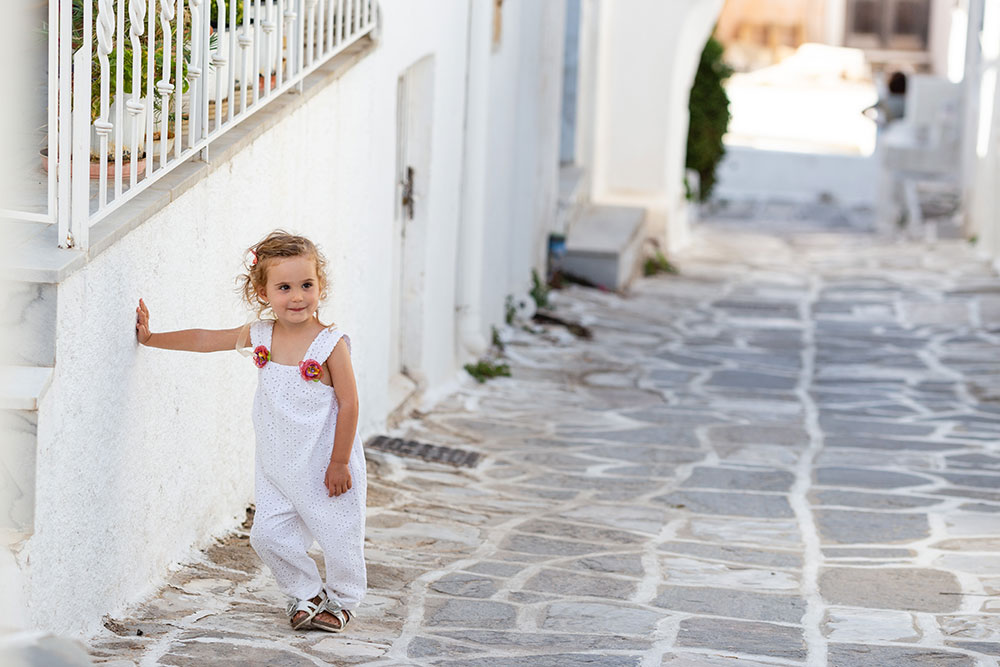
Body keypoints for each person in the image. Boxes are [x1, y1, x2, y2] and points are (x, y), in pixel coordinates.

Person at [135, 230, 366, 633]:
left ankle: (342, 600)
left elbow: (350, 403)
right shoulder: (261, 336)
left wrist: (340, 461)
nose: (297, 296)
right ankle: (306, 593)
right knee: (268, 535)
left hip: (327, 462)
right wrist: (153, 339)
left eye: (306, 285)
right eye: (284, 287)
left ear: (320, 286)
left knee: (339, 535)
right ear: (263, 292)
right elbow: (206, 339)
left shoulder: (330, 345)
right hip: (278, 464)